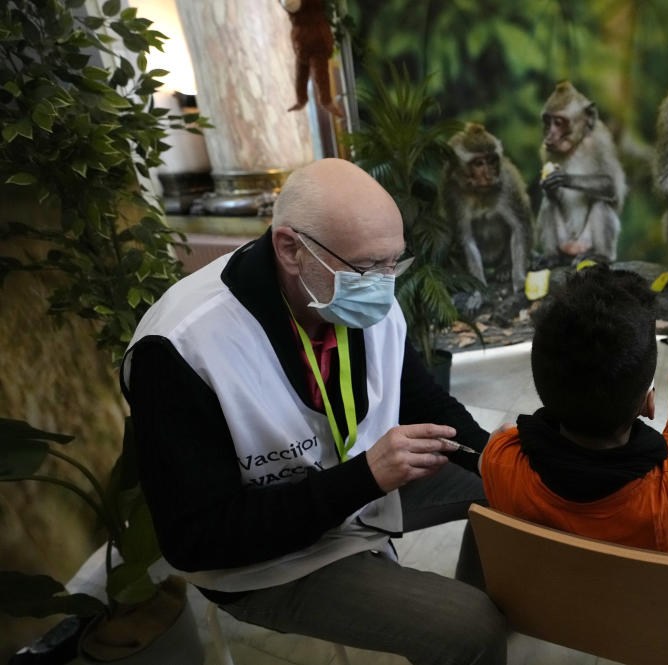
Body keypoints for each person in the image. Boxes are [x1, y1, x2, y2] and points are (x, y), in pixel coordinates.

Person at [120, 158, 507, 664]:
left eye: (395, 263)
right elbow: (197, 541)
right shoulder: (180, 348)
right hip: (266, 560)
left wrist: (494, 456)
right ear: (289, 248)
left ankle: (479, 611)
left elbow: (423, 400)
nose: (385, 284)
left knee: (508, 485)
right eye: (369, 267)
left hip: (359, 489)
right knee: (471, 629)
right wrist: (363, 479)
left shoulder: (354, 290)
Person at [480, 265, 668, 555]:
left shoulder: (502, 462)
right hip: (641, 601)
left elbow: (492, 451)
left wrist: (505, 438)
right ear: (648, 403)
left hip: (542, 599)